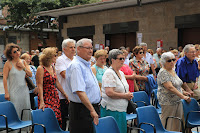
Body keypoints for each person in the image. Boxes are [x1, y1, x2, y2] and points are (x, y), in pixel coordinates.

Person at [65, 38, 101, 133]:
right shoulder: (76, 66)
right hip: (82, 110)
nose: (90, 50)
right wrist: (92, 110)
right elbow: (80, 92)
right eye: (87, 48)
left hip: (90, 108)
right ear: (78, 49)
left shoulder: (86, 64)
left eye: (91, 48)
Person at [101, 49, 133, 133]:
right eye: (120, 58)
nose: (123, 60)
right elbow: (109, 92)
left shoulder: (121, 73)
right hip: (112, 110)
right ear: (113, 60)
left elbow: (123, 88)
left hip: (121, 109)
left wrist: (128, 93)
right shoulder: (109, 73)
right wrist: (125, 96)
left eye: (124, 58)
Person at [157, 52, 191, 131]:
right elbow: (170, 87)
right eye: (169, 60)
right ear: (164, 62)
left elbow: (177, 84)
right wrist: (183, 96)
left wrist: (183, 91)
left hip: (177, 100)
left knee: (177, 122)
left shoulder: (172, 70)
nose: (172, 62)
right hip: (168, 101)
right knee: (169, 122)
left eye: (173, 60)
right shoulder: (163, 72)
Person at [36, 47, 69, 127]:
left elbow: (57, 83)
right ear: (49, 57)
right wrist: (42, 101)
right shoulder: (41, 68)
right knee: (48, 118)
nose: (56, 57)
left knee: (57, 117)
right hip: (46, 96)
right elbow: (39, 85)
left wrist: (65, 94)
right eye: (54, 55)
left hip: (54, 96)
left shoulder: (52, 67)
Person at [3, 43, 32, 132]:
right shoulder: (8, 63)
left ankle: (25, 130)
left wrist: (23, 67)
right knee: (16, 110)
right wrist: (6, 92)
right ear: (10, 54)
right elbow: (4, 78)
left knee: (25, 109)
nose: (17, 53)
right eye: (14, 52)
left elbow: (30, 74)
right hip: (14, 91)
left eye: (18, 50)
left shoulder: (23, 62)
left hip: (24, 91)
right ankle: (14, 130)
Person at [55, 38, 76, 130]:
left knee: (74, 119)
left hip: (75, 95)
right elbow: (65, 75)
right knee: (64, 119)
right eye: (71, 47)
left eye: (74, 47)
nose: (73, 49)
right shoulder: (61, 60)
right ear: (64, 49)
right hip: (64, 95)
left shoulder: (76, 59)